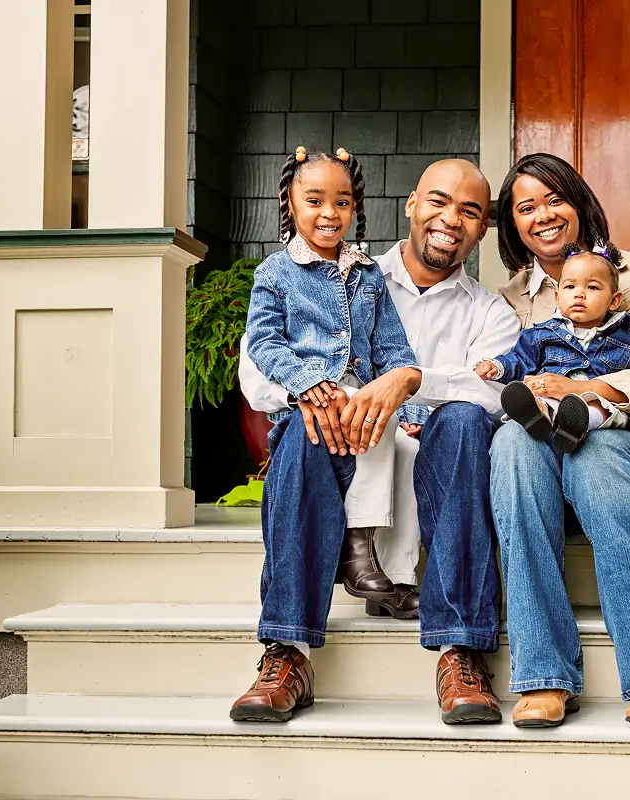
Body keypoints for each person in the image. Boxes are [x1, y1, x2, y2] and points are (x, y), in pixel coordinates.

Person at [234, 158, 520, 725]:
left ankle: (459, 648)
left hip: (437, 461)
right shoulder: (339, 272)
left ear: (482, 229)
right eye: (439, 201)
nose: (450, 219)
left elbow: (494, 395)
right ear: (411, 204)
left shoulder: (491, 312)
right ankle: (287, 651)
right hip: (334, 446)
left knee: (463, 421)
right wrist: (318, 398)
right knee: (304, 425)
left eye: (469, 211)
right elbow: (257, 373)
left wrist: (414, 390)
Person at [490, 152, 630, 730]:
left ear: (579, 201)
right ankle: (543, 675)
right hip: (546, 482)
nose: (542, 214)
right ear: (512, 225)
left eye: (553, 199)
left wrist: (591, 389)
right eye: (525, 206)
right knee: (514, 445)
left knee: (596, 452)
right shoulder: (508, 300)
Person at [231, 145, 421, 722]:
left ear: (356, 207)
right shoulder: (276, 272)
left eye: (342, 201)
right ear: (290, 204)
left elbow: (393, 350)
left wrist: (392, 389)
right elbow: (264, 344)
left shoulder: (368, 276)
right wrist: (309, 385)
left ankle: (359, 547)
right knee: (306, 441)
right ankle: (286, 645)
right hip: (307, 409)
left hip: (361, 404)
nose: (329, 213)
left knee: (378, 426)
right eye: (315, 200)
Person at [475, 242, 630, 453]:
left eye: (592, 287)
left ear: (614, 301)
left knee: (598, 406)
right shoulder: (542, 334)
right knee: (540, 396)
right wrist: (497, 366)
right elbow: (519, 359)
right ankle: (538, 416)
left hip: (599, 407)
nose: (579, 294)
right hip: (551, 397)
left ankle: (576, 426)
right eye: (570, 287)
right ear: (557, 297)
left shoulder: (626, 342)